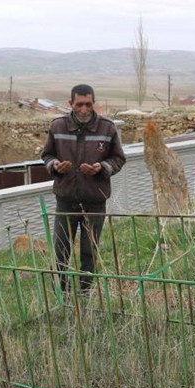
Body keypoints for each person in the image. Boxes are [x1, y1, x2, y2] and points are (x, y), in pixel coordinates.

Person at [41, 84, 126, 294]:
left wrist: (101, 168)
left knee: (90, 251)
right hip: (66, 199)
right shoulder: (58, 126)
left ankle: (85, 295)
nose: (84, 109)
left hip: (95, 200)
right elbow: (47, 155)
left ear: (93, 103)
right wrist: (55, 167)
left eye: (88, 104)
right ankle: (62, 295)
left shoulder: (107, 128)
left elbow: (118, 158)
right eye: (80, 104)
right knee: (61, 249)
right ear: (71, 104)